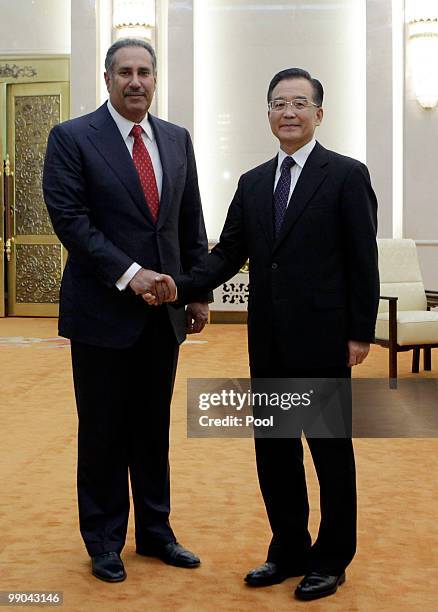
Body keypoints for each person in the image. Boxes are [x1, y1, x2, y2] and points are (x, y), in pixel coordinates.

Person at [148, 68, 379, 601]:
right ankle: (289, 549)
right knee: (274, 452)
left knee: (329, 454)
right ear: (268, 113)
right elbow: (228, 253)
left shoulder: (345, 175)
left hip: (324, 341)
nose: (289, 112)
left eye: (300, 103)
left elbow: (361, 260)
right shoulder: (253, 183)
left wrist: (359, 333)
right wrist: (177, 286)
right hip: (269, 341)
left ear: (319, 114)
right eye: (279, 103)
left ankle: (332, 558)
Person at [42, 38, 210, 583]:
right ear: (108, 79)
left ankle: (156, 534)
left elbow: (189, 222)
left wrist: (198, 290)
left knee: (151, 428)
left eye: (144, 72)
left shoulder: (177, 139)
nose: (135, 81)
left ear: (155, 79)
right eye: (124, 73)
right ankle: (105, 540)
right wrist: (129, 273)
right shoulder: (72, 138)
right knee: (103, 431)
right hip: (101, 314)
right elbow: (71, 221)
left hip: (163, 316)